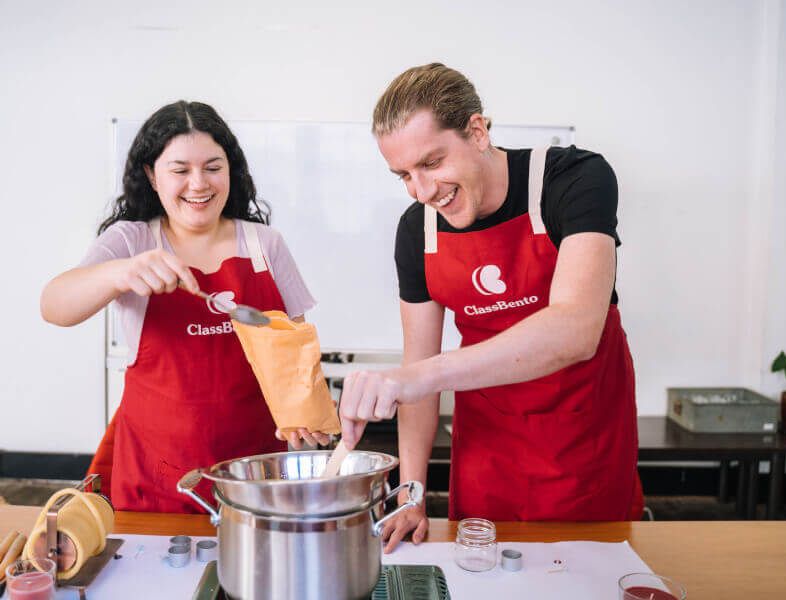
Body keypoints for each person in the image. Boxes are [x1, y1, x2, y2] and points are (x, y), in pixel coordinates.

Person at [339, 63, 644, 552]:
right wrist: (410, 493)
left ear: (477, 132)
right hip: (486, 447)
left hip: (583, 440)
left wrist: (419, 377)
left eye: (432, 163)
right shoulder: (416, 231)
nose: (422, 192)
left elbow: (577, 328)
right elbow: (418, 365)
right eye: (404, 175)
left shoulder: (573, 179)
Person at [40, 101, 328, 513]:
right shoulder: (132, 241)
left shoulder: (265, 245)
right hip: (157, 478)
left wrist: (309, 416)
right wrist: (120, 273)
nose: (199, 184)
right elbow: (54, 306)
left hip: (256, 474)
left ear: (232, 170)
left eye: (213, 167)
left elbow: (297, 354)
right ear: (151, 176)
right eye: (180, 170)